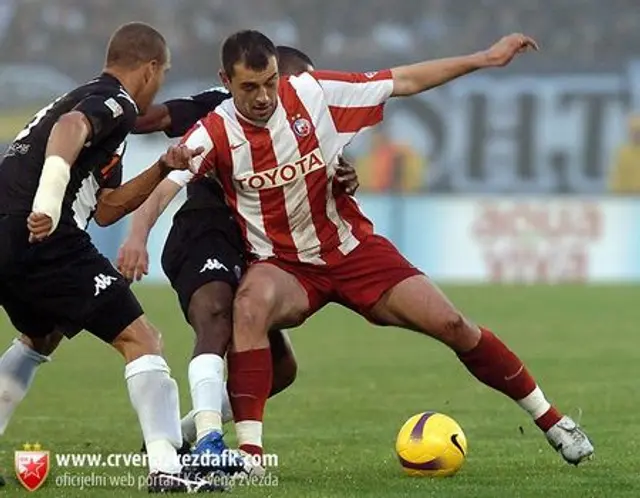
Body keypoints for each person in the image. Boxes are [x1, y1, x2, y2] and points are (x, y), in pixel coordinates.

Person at [168, 29, 594, 468]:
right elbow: (167, 148)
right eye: (253, 86)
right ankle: (250, 457)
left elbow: (404, 80)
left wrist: (484, 57)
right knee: (250, 308)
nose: (266, 97)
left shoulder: (318, 99)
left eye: (273, 83)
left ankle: (553, 421)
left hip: (352, 250)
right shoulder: (219, 126)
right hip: (284, 264)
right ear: (230, 82)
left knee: (453, 323)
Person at [118, 46, 360, 468]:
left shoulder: (304, 117)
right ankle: (211, 444)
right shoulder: (221, 106)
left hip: (258, 248)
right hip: (205, 233)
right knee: (215, 316)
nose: (308, 94)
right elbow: (155, 119)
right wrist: (99, 119)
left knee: (280, 369)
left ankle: (185, 431)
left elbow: (325, 168)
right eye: (300, 83)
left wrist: (346, 176)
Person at [0, 22, 216, 493]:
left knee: (40, 336)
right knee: (143, 340)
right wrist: (48, 202)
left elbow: (106, 209)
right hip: (45, 234)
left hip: (7, 234)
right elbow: (70, 129)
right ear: (151, 68)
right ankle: (166, 470)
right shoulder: (115, 102)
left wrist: (162, 166)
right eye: (162, 75)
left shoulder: (83, 102)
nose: (158, 86)